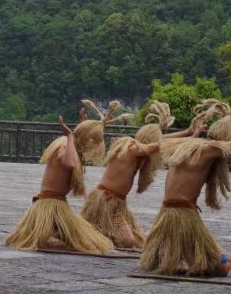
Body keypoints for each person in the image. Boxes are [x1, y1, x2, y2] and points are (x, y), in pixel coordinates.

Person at [140, 96, 231, 276]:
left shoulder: (191, 145)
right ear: (226, 138)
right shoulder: (208, 150)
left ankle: (171, 259)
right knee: (225, 265)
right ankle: (180, 262)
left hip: (167, 215)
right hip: (183, 218)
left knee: (176, 258)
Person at [4, 101, 129, 254]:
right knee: (78, 243)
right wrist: (70, 135)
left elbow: (76, 149)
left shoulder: (73, 146)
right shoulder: (64, 143)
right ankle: (50, 232)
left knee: (91, 241)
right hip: (49, 206)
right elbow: (70, 163)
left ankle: (55, 231)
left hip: (59, 206)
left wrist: (83, 126)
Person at [80, 101, 200, 249]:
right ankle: (97, 236)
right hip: (106, 202)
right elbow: (162, 144)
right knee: (129, 241)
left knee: (138, 242)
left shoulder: (138, 147)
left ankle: (102, 235)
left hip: (117, 203)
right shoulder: (130, 147)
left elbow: (162, 141)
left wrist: (188, 132)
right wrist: (191, 138)